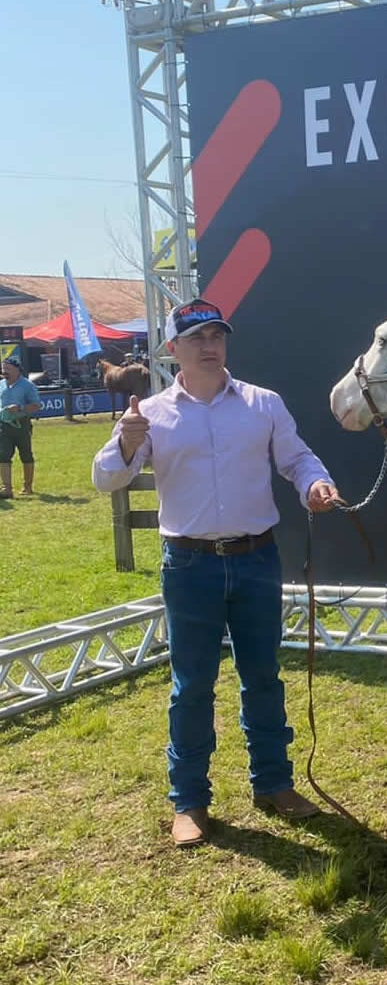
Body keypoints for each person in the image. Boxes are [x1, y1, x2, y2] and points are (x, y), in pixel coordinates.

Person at [91, 298, 343, 847]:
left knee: (263, 677)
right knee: (191, 687)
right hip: (188, 565)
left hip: (256, 560)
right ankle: (190, 802)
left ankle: (274, 784)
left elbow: (298, 459)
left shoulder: (263, 404)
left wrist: (313, 484)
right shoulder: (150, 413)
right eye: (196, 337)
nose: (209, 346)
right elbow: (106, 478)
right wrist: (127, 443)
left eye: (217, 336)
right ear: (173, 349)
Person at [0, 354, 41, 498]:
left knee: (26, 455)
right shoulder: (1, 385)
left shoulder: (27, 385)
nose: (4, 371)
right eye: (3, 368)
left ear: (17, 370)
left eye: (8, 369)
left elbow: (37, 405)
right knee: (3, 455)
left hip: (22, 425)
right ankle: (6, 489)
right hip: (3, 426)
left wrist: (20, 408)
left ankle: (27, 487)